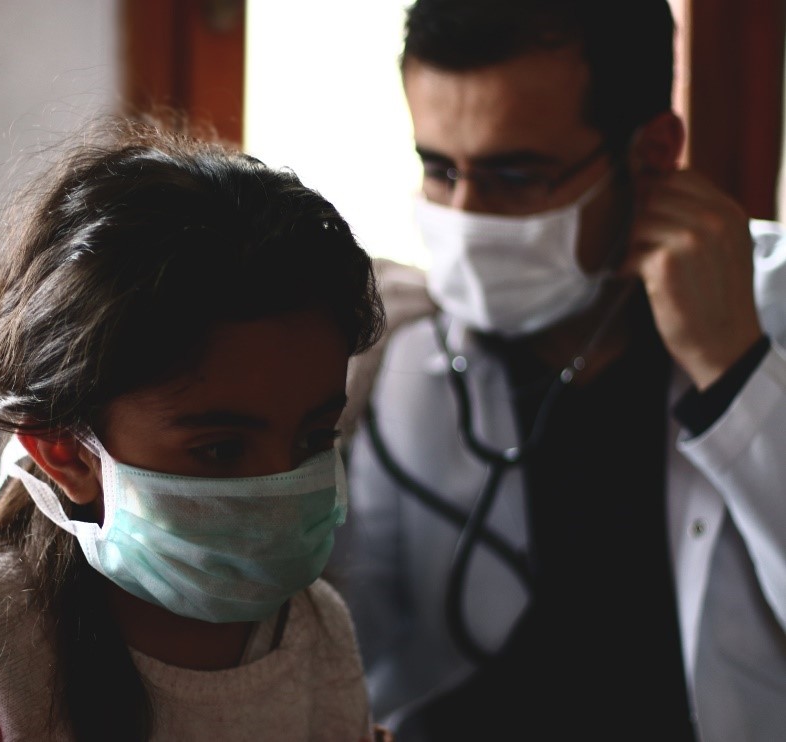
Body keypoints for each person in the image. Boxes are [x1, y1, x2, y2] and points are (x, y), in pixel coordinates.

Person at [0, 119, 394, 741]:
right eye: (221, 449)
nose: (281, 488)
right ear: (67, 453)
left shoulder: (314, 629)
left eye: (313, 438)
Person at [335, 1, 786, 740]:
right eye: (440, 169)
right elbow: (356, 642)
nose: (466, 216)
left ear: (653, 152)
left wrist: (734, 371)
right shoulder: (401, 356)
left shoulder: (769, 312)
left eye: (516, 174)